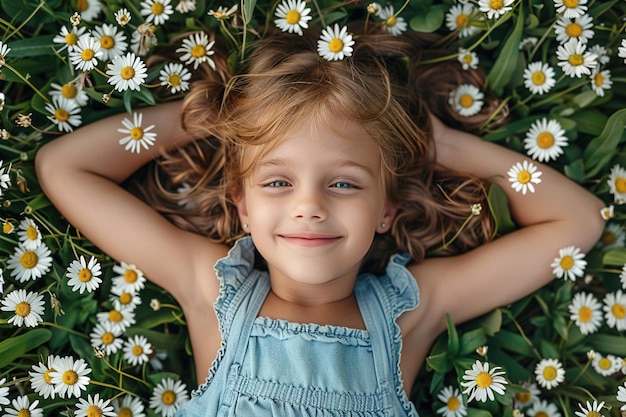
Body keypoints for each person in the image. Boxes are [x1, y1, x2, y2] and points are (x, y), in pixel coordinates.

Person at [35, 26, 604, 417]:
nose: (310, 206)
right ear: (242, 204)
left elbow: (577, 223)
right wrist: (201, 118)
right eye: (278, 182)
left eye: (345, 183)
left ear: (386, 209)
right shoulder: (211, 289)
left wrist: (445, 146)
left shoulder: (411, 312)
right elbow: (63, 167)